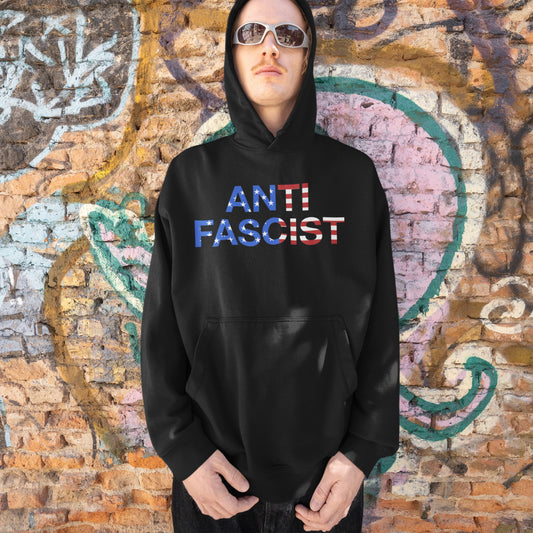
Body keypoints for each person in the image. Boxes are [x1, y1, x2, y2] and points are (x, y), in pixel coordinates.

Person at [140, 0, 400, 531]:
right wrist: (183, 451)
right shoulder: (192, 179)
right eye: (252, 33)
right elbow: (159, 331)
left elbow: (381, 329)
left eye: (288, 35)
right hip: (214, 475)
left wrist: (361, 453)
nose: (270, 47)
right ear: (232, 54)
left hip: (327, 479)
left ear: (307, 56)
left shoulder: (353, 178)